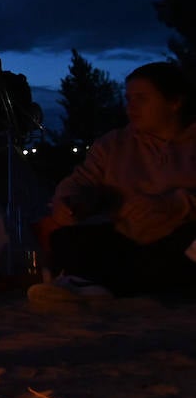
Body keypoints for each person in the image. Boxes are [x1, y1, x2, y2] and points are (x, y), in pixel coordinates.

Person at [28, 62, 196, 308]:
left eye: (142, 99)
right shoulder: (114, 144)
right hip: (130, 241)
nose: (132, 108)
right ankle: (108, 284)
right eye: (128, 99)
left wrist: (173, 205)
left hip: (180, 241)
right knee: (67, 238)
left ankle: (95, 284)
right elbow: (80, 183)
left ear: (174, 103)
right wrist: (71, 202)